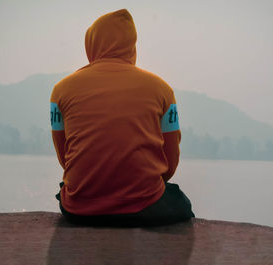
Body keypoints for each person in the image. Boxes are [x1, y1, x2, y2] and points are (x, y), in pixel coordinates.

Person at [50, 9, 194, 227]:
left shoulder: (60, 91)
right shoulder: (162, 89)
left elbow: (65, 157)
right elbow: (170, 162)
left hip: (79, 208)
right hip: (145, 206)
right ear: (132, 46)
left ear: (91, 44)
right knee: (180, 200)